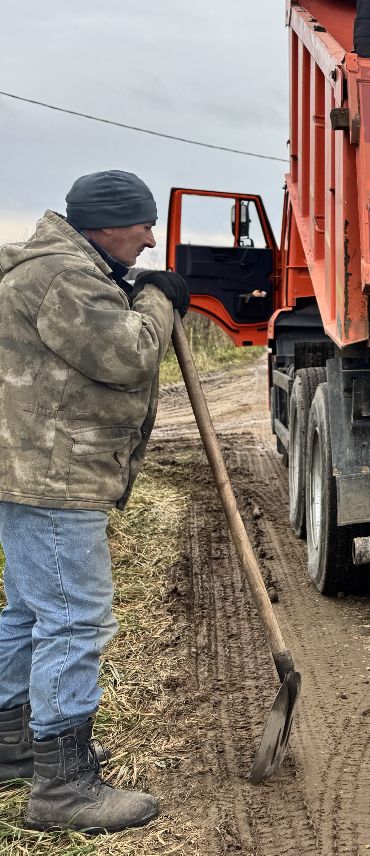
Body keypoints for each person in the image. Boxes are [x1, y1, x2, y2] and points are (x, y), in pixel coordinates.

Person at [0, 171, 189, 831]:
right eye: (142, 224)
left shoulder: (61, 269)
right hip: (55, 476)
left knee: (30, 611)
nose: (149, 235)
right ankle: (65, 787)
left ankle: (14, 742)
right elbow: (131, 354)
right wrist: (160, 301)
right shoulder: (64, 279)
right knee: (74, 621)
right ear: (108, 223)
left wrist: (135, 288)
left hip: (32, 469)